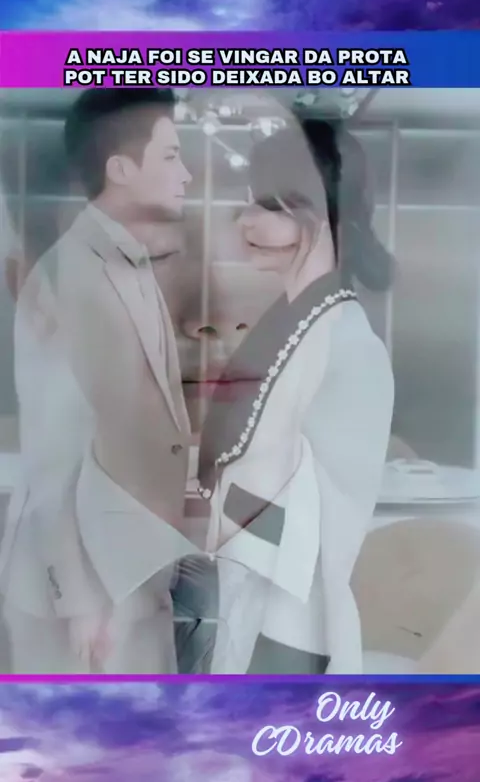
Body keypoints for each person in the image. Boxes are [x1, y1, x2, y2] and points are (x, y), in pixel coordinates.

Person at [0, 89, 200, 673]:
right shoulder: (77, 275)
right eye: (171, 156)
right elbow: (56, 451)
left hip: (123, 573)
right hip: (86, 591)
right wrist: (82, 598)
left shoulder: (124, 266)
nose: (186, 174)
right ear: (121, 170)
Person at [196, 117, 395, 674]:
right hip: (246, 601)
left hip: (291, 631)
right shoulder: (292, 321)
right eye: (249, 201)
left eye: (270, 205)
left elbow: (325, 533)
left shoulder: (346, 343)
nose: (246, 220)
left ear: (322, 212)